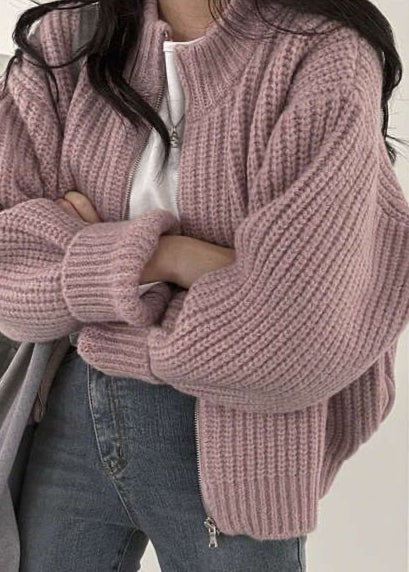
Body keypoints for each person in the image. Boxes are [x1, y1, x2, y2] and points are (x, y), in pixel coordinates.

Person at [0, 0, 408, 570]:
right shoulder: (67, 39)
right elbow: (9, 271)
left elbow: (298, 330)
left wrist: (87, 282)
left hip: (240, 445)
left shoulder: (321, 54)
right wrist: (169, 258)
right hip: (65, 424)